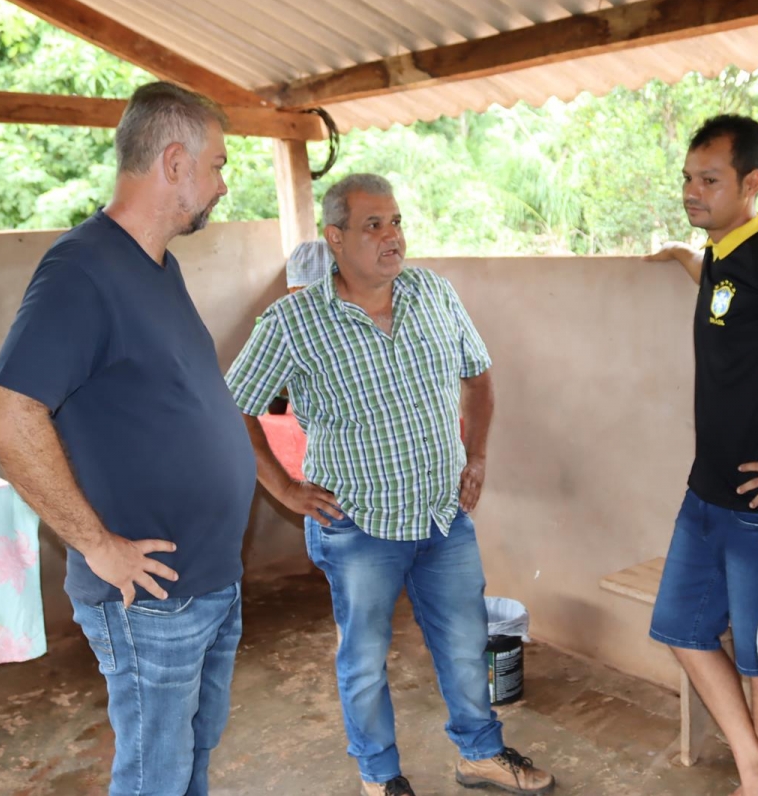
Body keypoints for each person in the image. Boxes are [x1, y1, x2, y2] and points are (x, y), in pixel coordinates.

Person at [225, 173, 553, 796]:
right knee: (365, 660)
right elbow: (231, 406)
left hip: (442, 514)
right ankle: (379, 777)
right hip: (357, 526)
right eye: (373, 225)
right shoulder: (293, 322)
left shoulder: (433, 293)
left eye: (396, 221)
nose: (391, 236)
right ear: (335, 238)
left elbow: (478, 375)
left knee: (465, 644)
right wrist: (286, 491)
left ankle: (480, 755)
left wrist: (477, 456)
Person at [0, 81, 257, 796]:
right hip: (150, 598)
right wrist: (98, 546)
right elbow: (7, 419)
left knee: (189, 761)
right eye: (217, 166)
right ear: (174, 163)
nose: (223, 184)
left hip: (207, 580)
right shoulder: (82, 269)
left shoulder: (157, 266)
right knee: (153, 775)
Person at [644, 115, 758, 795]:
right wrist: (681, 257)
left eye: (709, 180)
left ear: (751, 183)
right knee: (680, 628)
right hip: (705, 493)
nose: (692, 191)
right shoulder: (722, 253)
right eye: (688, 178)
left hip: (757, 504)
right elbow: (727, 299)